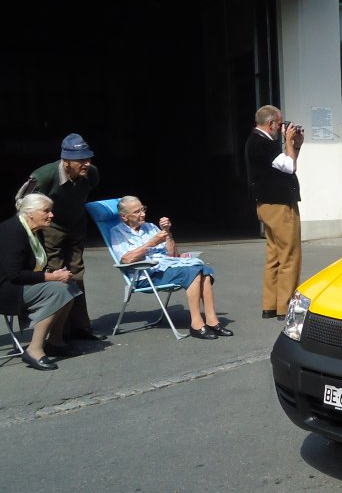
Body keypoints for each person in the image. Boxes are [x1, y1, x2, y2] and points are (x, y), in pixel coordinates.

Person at [110, 196, 232, 340]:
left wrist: (167, 232)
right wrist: (151, 243)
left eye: (143, 209)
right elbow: (126, 259)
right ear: (124, 217)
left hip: (166, 267)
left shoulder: (150, 227)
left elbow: (173, 254)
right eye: (137, 212)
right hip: (146, 274)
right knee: (193, 271)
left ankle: (212, 321)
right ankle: (196, 324)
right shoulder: (117, 232)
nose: (142, 214)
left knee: (203, 270)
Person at [19, 133, 103, 341]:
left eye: (88, 158)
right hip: (51, 227)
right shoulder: (44, 175)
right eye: (81, 160)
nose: (87, 163)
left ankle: (81, 326)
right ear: (66, 162)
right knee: (57, 273)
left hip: (76, 224)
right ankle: (59, 331)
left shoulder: (91, 173)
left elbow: (85, 190)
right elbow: (22, 202)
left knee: (76, 273)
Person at [0, 194, 80, 370]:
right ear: (30, 214)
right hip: (6, 289)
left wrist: (54, 274)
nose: (51, 215)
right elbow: (14, 274)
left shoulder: (34, 231)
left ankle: (55, 342)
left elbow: (31, 267)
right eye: (46, 211)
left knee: (69, 286)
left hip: (19, 285)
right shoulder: (12, 231)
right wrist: (51, 277)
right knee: (59, 290)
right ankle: (34, 349)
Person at [245, 105, 303, 320]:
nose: (282, 128)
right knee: (289, 255)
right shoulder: (263, 143)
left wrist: (295, 145)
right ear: (270, 124)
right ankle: (285, 306)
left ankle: (270, 305)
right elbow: (289, 167)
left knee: (274, 255)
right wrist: (289, 142)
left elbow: (287, 163)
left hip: (267, 205)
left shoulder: (256, 141)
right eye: (280, 124)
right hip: (279, 205)